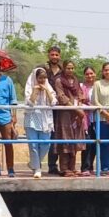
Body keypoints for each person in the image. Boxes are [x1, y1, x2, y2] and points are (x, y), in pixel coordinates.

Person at [53, 60, 86, 177]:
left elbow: (80, 94)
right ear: (64, 68)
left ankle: (73, 167)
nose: (70, 70)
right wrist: (76, 109)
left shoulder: (76, 80)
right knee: (65, 139)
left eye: (72, 68)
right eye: (68, 68)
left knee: (75, 139)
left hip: (76, 114)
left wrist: (80, 105)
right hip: (65, 113)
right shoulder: (59, 81)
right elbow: (61, 97)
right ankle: (64, 168)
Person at [24, 67, 57, 179]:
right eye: (40, 78)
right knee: (33, 145)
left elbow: (53, 103)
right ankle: (37, 169)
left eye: (44, 78)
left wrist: (46, 90)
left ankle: (33, 164)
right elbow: (30, 103)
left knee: (45, 144)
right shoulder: (29, 87)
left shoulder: (49, 87)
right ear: (35, 77)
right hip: (32, 119)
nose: (42, 80)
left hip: (45, 120)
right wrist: (35, 91)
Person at [45, 46, 63, 175]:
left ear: (59, 56)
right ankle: (36, 165)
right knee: (42, 137)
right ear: (48, 55)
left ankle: (53, 165)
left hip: (59, 108)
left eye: (56, 55)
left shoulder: (63, 71)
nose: (54, 57)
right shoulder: (42, 70)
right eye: (52, 54)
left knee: (56, 136)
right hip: (45, 107)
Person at [79, 66, 96, 176]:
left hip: (98, 117)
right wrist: (89, 106)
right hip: (85, 119)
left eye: (91, 73)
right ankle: (84, 167)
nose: (89, 76)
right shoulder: (81, 86)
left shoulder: (98, 86)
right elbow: (79, 100)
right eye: (87, 74)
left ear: (95, 74)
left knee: (95, 143)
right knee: (87, 143)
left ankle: (91, 166)